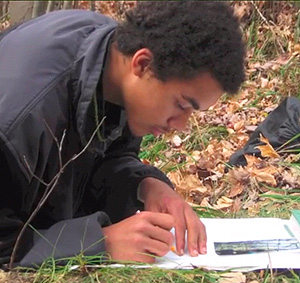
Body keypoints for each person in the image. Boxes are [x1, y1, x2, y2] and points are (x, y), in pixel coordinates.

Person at [0, 1, 245, 268]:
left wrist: (145, 185)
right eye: (182, 105)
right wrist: (100, 241)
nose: (182, 124)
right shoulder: (23, 115)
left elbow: (102, 159)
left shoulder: (114, 60)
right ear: (143, 64)